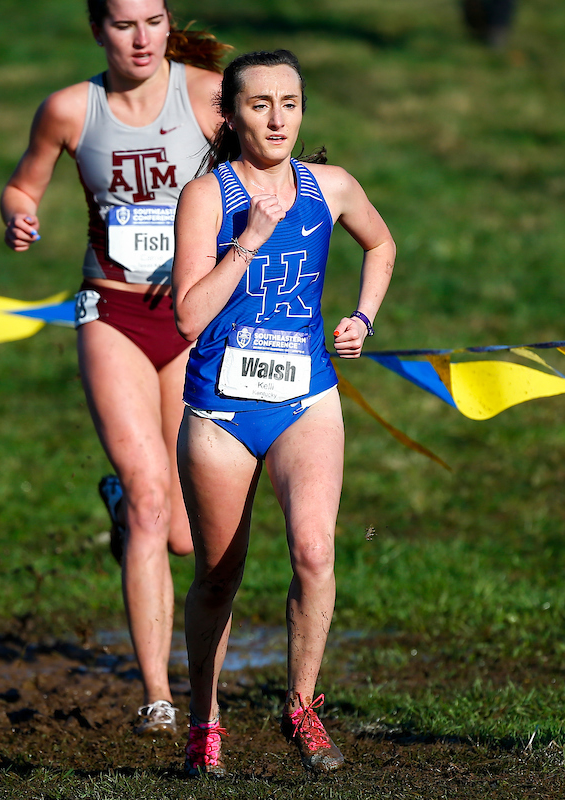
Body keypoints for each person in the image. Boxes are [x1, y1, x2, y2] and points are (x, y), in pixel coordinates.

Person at [0, 0, 229, 737]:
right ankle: (158, 696)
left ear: (168, 25)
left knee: (186, 534)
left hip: (193, 319)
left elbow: (265, 163)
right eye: (125, 23)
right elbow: (23, 184)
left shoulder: (206, 96)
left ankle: (124, 501)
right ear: (97, 29)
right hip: (114, 313)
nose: (141, 38)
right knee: (151, 498)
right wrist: (17, 214)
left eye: (154, 20)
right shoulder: (72, 110)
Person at [171, 49, 394, 776]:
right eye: (260, 104)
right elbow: (186, 318)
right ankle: (204, 721)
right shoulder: (208, 195)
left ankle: (301, 707)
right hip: (223, 410)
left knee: (316, 551)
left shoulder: (330, 187)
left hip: (305, 397)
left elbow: (382, 243)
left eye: (290, 103)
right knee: (218, 574)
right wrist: (248, 244)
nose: (277, 118)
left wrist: (362, 317)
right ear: (230, 116)